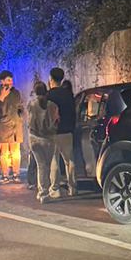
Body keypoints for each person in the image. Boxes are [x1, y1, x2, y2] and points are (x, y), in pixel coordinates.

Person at [26, 81, 60, 202]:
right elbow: (56, 121)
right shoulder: (53, 105)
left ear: (35, 92)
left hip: (34, 138)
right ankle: (47, 192)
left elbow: (29, 123)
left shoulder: (31, 104)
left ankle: (42, 193)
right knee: (47, 165)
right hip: (49, 139)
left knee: (41, 166)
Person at [47, 67, 77, 195]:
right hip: (67, 130)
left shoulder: (49, 95)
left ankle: (55, 189)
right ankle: (73, 188)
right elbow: (73, 112)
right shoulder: (68, 94)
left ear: (51, 79)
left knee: (54, 160)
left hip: (53, 132)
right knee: (69, 160)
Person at [0, 71, 24, 183]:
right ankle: (5, 175)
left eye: (11, 80)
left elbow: (20, 106)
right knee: (4, 152)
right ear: (1, 81)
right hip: (3, 126)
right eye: (8, 80)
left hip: (16, 126)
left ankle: (16, 174)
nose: (10, 83)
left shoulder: (16, 93)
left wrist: (20, 115)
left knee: (16, 152)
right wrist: (2, 96)